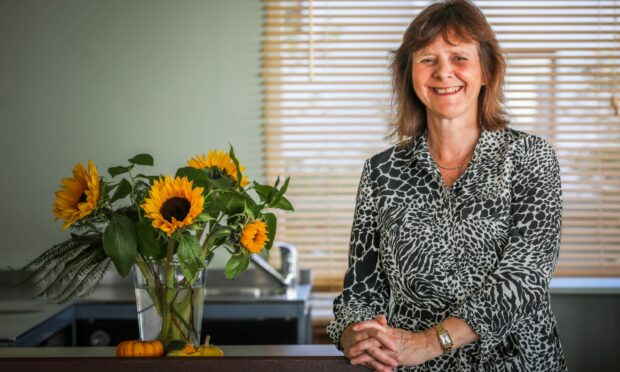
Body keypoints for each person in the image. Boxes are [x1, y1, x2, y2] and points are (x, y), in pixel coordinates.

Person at [326, 0, 567, 371]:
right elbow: (361, 289)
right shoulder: (381, 171)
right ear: (410, 74)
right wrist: (356, 336)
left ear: (486, 70)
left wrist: (427, 342)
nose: (443, 72)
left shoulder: (530, 157)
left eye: (459, 58)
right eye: (427, 59)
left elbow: (524, 279)